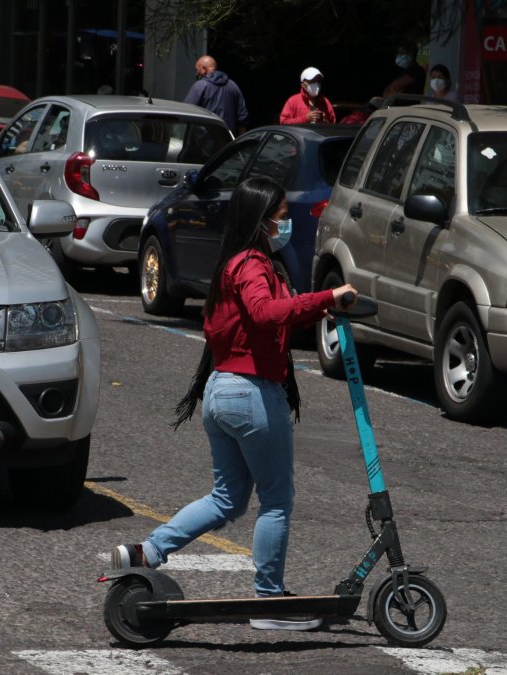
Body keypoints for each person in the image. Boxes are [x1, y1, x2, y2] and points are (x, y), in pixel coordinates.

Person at [110, 176, 357, 631]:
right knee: (276, 500)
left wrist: (315, 307)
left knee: (227, 499)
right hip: (250, 394)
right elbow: (265, 313)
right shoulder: (251, 265)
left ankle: (148, 552)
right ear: (260, 220)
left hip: (223, 392)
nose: (285, 225)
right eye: (281, 217)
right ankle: (269, 601)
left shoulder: (238, 264)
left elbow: (268, 317)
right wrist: (328, 294)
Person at [184, 55, 249, 135]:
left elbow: (186, 111)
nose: (196, 73)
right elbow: (242, 115)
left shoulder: (200, 85)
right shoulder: (233, 85)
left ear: (204, 69)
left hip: (203, 138)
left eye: (197, 69)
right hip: (227, 138)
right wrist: (241, 139)